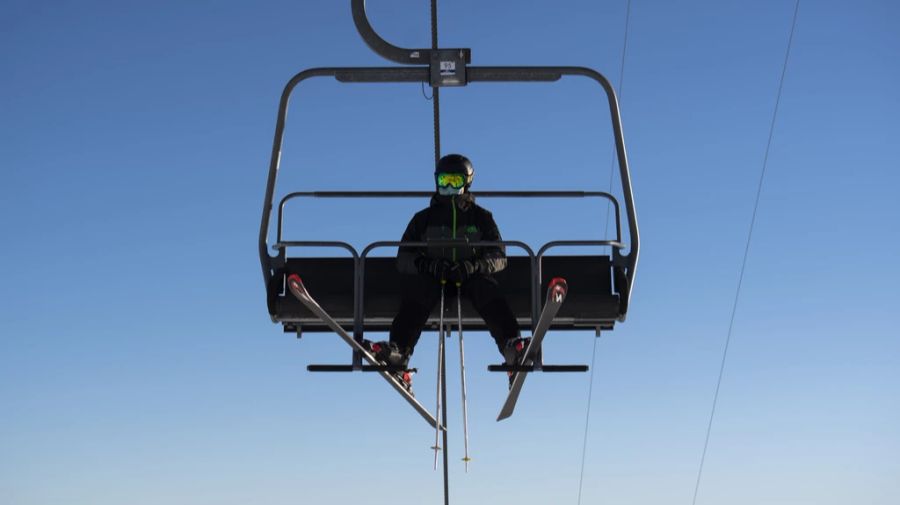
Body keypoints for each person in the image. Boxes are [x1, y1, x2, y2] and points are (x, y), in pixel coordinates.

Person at [365, 154, 527, 393]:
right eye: (443, 181)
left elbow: (499, 256)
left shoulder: (481, 217)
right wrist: (427, 265)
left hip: (470, 276)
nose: (448, 187)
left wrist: (473, 265)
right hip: (434, 277)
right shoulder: (423, 219)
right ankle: (398, 352)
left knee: (486, 288)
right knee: (418, 290)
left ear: (467, 182)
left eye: (454, 180)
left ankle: (512, 347)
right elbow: (404, 257)